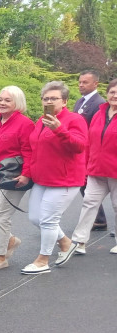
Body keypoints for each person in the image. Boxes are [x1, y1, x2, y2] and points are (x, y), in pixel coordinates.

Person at [18, 81, 87, 274]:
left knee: (48, 220)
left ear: (64, 101)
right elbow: (34, 149)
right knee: (35, 218)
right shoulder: (41, 120)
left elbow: (80, 146)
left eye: (54, 98)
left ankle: (43, 260)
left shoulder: (74, 120)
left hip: (64, 179)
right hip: (41, 178)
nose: (49, 101)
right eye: (46, 98)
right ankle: (65, 243)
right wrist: (27, 173)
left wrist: (59, 129)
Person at [0, 86, 34, 270]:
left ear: (17, 103)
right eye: (0, 99)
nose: (2, 103)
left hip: (13, 177)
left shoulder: (25, 124)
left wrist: (26, 174)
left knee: (1, 217)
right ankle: (10, 240)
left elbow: (29, 151)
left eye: (7, 100)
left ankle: (0, 257)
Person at [71, 78, 117, 255]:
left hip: (115, 170)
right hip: (96, 169)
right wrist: (85, 165)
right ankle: (79, 241)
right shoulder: (100, 113)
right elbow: (90, 141)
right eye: (112, 91)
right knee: (89, 203)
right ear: (107, 93)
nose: (115, 95)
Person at [73, 70, 107, 232]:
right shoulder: (80, 101)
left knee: (87, 185)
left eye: (85, 82)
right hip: (79, 147)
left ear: (95, 84)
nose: (81, 85)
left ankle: (99, 219)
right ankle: (98, 219)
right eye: (80, 82)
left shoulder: (99, 103)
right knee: (84, 185)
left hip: (88, 149)